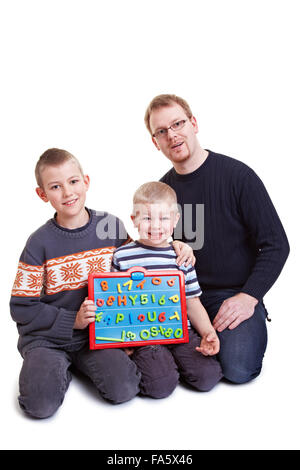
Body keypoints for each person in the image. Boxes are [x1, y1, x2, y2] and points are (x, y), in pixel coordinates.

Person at [10, 148, 195, 418]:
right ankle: (52, 368)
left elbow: (141, 257)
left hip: (97, 337)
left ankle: (80, 366)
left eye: (73, 182)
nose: (67, 192)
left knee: (124, 389)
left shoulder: (110, 226)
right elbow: (22, 307)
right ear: (42, 194)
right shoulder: (39, 243)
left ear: (86, 181)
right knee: (40, 406)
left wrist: (174, 244)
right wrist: (72, 320)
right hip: (47, 339)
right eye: (55, 187)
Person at [144, 94, 290, 384]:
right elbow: (154, 246)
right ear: (155, 142)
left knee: (237, 368)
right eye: (161, 131)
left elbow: (276, 245)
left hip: (233, 294)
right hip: (182, 295)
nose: (171, 135)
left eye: (178, 123)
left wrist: (249, 297)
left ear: (193, 123)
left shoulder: (238, 176)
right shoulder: (162, 190)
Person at [111, 181, 223, 398]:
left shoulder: (181, 257)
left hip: (182, 332)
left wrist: (208, 332)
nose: (155, 226)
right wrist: (121, 341)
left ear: (175, 220)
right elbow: (116, 305)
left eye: (163, 218)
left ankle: (176, 362)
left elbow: (192, 302)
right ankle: (161, 366)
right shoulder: (122, 257)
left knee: (208, 377)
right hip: (145, 336)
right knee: (159, 387)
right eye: (147, 218)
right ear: (134, 220)